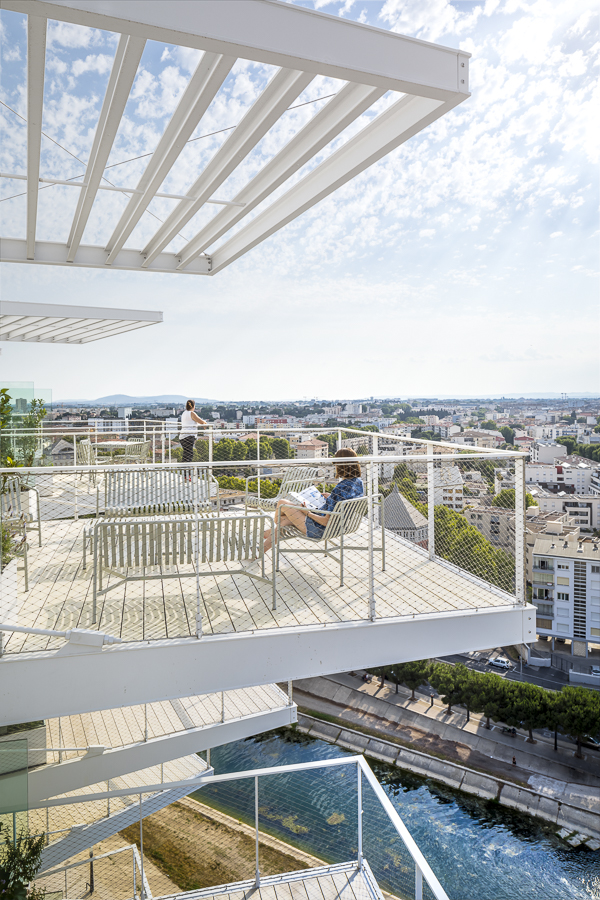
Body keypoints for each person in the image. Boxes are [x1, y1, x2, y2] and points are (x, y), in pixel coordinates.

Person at [263, 447, 364, 552]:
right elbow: (340, 504)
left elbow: (326, 521)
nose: (334, 466)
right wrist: (331, 497)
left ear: (341, 465)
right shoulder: (357, 483)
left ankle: (266, 537)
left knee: (282, 504)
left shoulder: (341, 487)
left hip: (319, 529)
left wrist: (307, 513)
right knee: (283, 523)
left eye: (335, 463)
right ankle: (260, 550)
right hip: (339, 526)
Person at [179, 400, 207, 465]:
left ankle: (184, 471)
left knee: (186, 454)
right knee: (189, 454)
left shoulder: (184, 413)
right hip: (189, 436)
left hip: (182, 436)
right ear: (193, 406)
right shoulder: (192, 413)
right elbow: (201, 422)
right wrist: (205, 424)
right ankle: (186, 471)